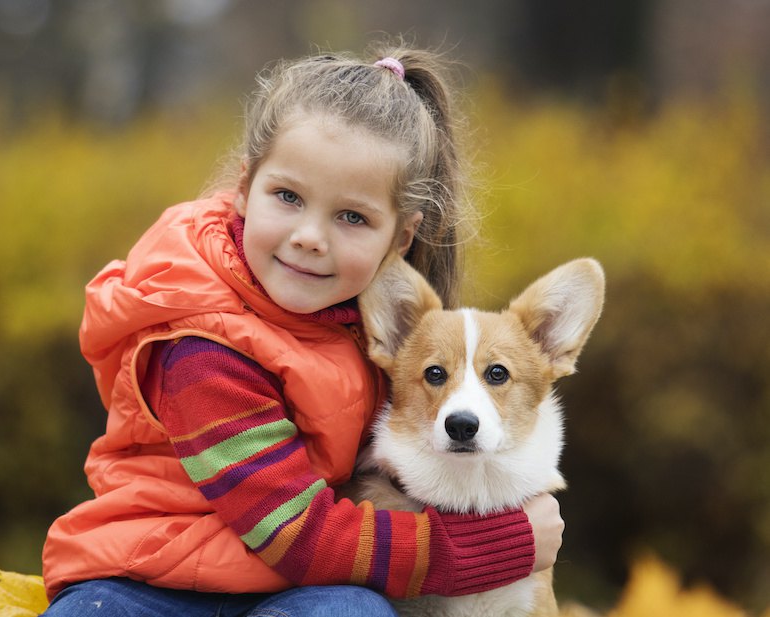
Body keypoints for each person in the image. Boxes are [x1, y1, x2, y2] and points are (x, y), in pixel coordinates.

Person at [41, 39, 564, 617]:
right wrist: (498, 546)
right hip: (149, 583)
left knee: (352, 612)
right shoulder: (200, 345)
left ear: (400, 239)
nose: (310, 236)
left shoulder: (369, 326)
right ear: (244, 189)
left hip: (290, 590)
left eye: (351, 217)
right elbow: (294, 534)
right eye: (288, 197)